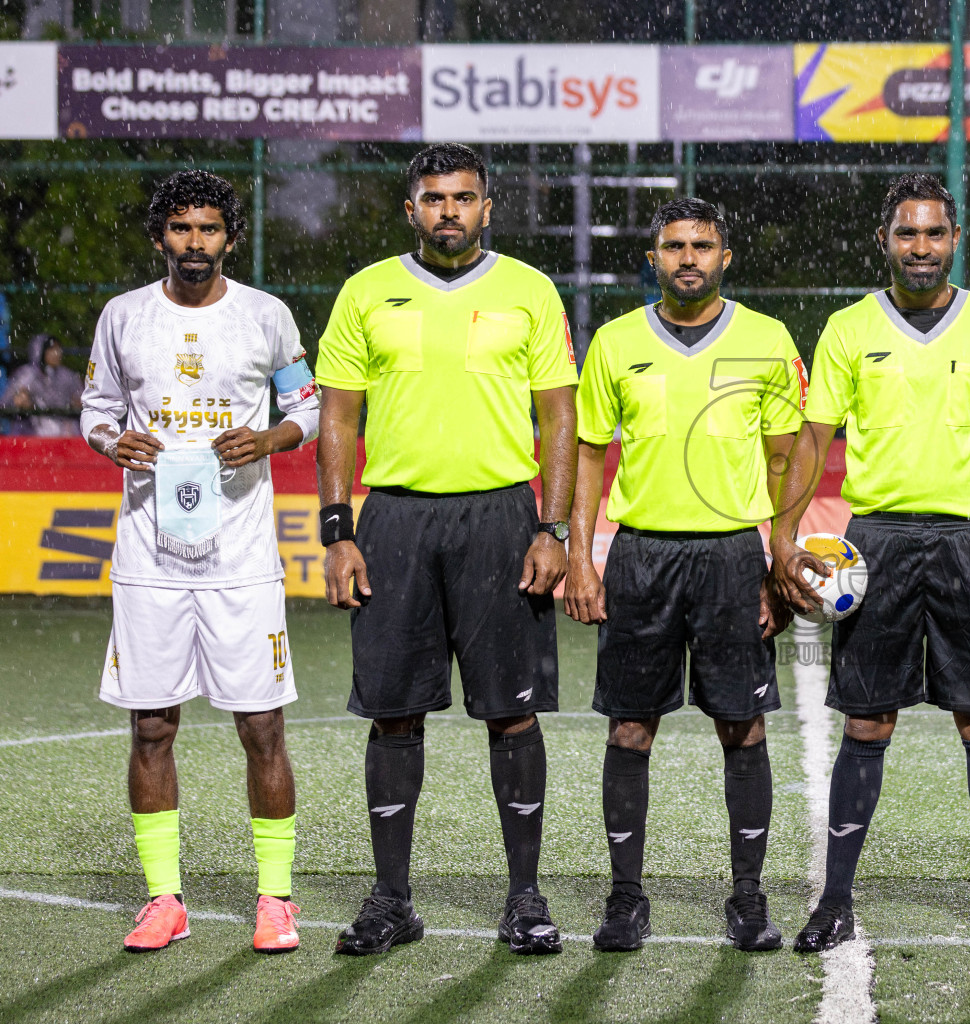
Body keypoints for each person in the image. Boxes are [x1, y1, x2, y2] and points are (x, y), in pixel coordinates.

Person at [771, 173, 970, 956]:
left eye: (933, 234)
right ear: (885, 240)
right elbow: (811, 441)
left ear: (954, 239)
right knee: (868, 720)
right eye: (906, 234)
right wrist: (784, 536)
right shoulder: (848, 329)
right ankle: (834, 901)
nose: (920, 248)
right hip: (877, 545)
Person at [315, 143, 577, 957]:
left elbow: (559, 416)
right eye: (434, 198)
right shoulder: (366, 292)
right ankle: (392, 900)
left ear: (487, 207)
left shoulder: (529, 291)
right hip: (394, 519)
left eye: (464, 198)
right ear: (411, 210)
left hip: (502, 518)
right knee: (393, 712)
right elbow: (338, 418)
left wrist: (554, 526)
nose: (449, 211)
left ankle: (525, 899)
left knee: (512, 711)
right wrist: (337, 531)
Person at [78, 170, 318, 954]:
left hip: (242, 558)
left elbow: (306, 407)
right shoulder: (123, 318)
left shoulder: (266, 317)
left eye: (208, 229)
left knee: (261, 727)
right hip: (149, 557)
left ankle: (275, 900)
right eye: (180, 229)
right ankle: (163, 900)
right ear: (159, 239)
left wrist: (271, 439)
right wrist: (116, 442)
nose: (195, 243)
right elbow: (95, 414)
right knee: (151, 727)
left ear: (229, 238)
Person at [565, 197, 802, 952]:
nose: (688, 258)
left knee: (743, 725)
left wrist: (778, 564)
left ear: (725, 256)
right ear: (653, 256)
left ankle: (749, 897)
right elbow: (590, 454)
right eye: (674, 246)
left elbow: (784, 459)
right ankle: (626, 898)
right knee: (631, 728)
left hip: (733, 555)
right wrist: (581, 554)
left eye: (703, 245)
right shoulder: (615, 341)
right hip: (641, 556)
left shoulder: (767, 341)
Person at [4, 333, 84, 436]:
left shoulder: (67, 376)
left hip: (63, 431)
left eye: (58, 349)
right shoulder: (26, 375)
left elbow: (80, 400)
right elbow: (6, 402)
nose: (57, 353)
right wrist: (20, 402)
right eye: (52, 349)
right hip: (32, 429)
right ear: (40, 352)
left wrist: (77, 404)